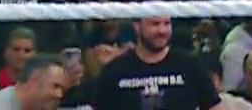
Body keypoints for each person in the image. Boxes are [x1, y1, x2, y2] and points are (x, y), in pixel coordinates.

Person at [87, 18, 219, 110]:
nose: (162, 30)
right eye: (155, 24)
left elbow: (214, 106)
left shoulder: (190, 65)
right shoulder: (115, 70)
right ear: (137, 26)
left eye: (166, 23)